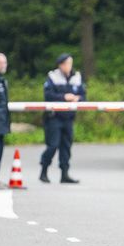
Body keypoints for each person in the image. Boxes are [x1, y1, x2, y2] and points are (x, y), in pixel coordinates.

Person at [41, 53, 85, 183]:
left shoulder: (76, 77)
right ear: (60, 65)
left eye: (70, 63)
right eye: (66, 64)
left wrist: (78, 99)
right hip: (54, 117)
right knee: (53, 145)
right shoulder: (53, 77)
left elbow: (83, 96)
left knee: (66, 146)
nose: (69, 66)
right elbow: (47, 95)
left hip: (69, 117)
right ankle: (43, 171)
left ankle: (64, 174)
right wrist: (64, 97)